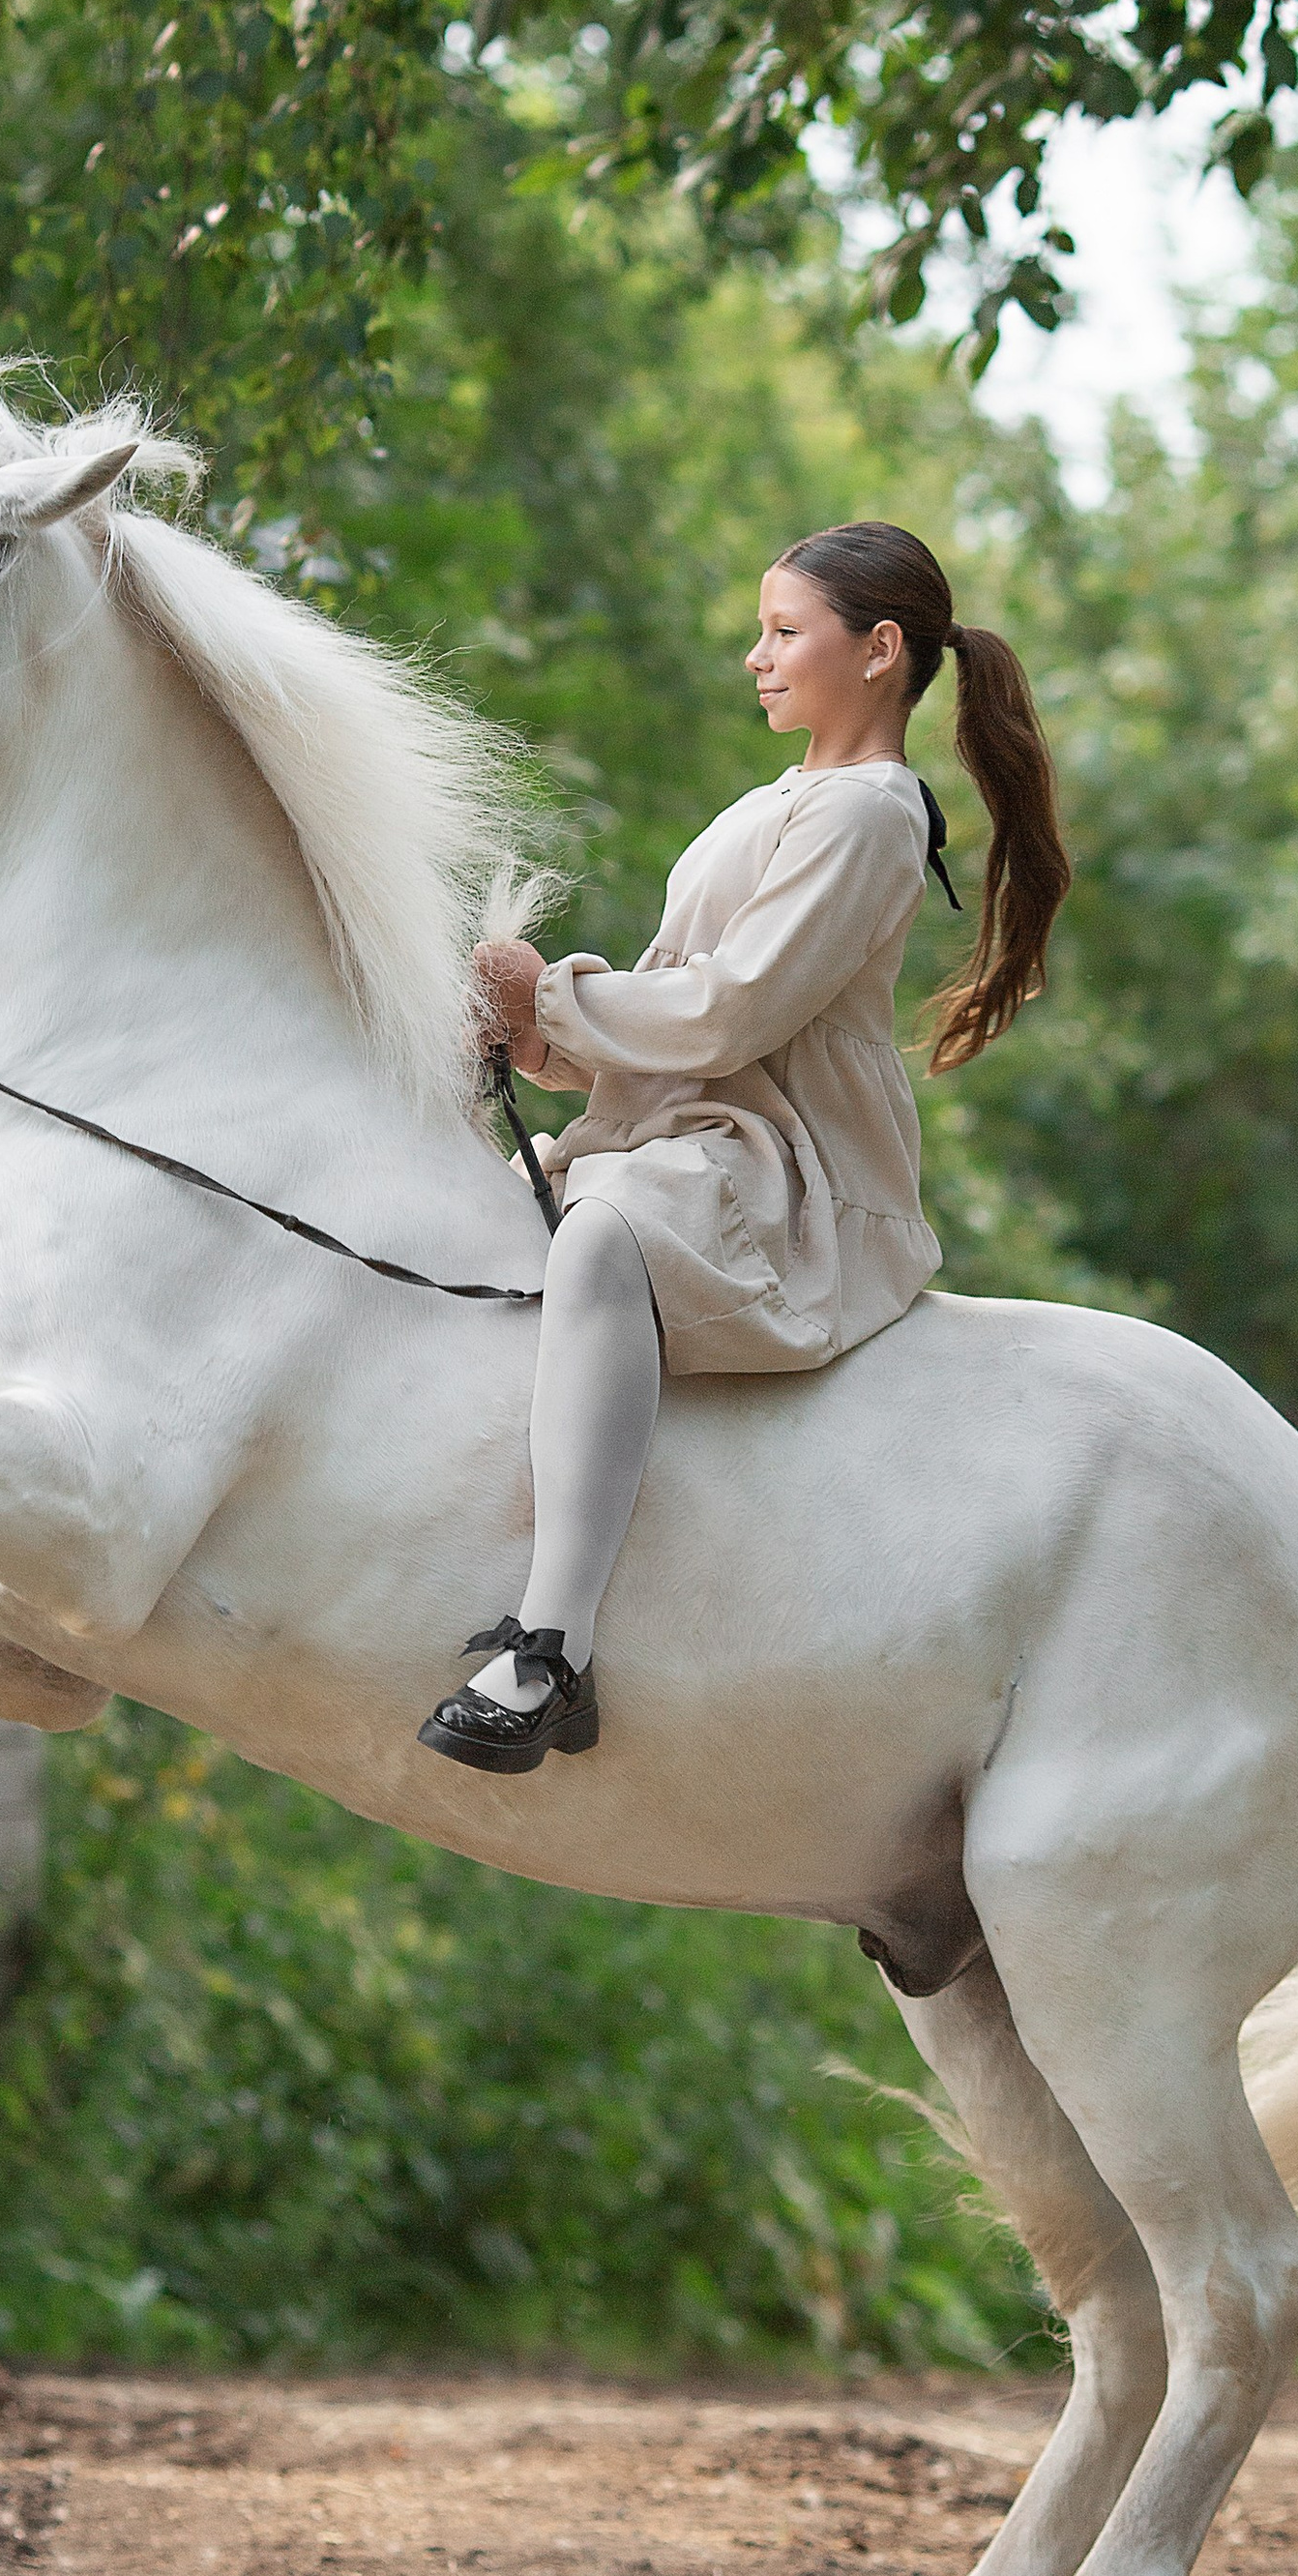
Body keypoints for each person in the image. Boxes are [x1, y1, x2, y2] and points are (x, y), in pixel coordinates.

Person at [418, 518, 1070, 1775]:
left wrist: (554, 999)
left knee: (601, 1234)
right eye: (761, 632)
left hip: (777, 1166)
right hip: (686, 1130)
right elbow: (686, 1005)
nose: (755, 657)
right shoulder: (782, 802)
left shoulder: (872, 811)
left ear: (881, 651)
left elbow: (737, 1007)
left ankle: (551, 1648)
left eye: (784, 632)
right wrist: (538, 1040)